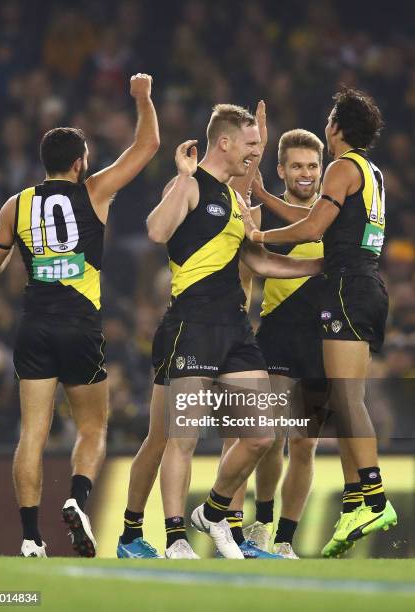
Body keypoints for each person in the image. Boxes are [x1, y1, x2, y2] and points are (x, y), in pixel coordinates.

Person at [116, 103, 322, 559]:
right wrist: (184, 176)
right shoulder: (188, 185)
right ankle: (172, 538)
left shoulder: (233, 201)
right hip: (191, 325)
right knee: (179, 437)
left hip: (235, 330)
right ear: (224, 142)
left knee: (261, 435)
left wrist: (326, 264)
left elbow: (260, 261)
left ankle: (211, 511)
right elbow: (155, 231)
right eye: (250, 146)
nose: (255, 155)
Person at [0, 73, 159, 558]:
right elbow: (147, 145)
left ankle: (30, 537)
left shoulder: (16, 205)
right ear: (80, 162)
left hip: (34, 327)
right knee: (93, 427)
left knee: (31, 434)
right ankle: (78, 499)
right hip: (81, 327)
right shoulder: (95, 191)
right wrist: (142, 98)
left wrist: (18, 248)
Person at [240, 87, 398, 557]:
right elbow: (316, 216)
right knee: (342, 396)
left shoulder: (342, 166)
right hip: (363, 286)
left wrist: (260, 233)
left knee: (347, 398)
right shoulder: (370, 171)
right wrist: (266, 196)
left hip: (347, 287)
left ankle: (371, 495)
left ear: (336, 127)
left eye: (330, 118)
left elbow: (312, 229)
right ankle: (357, 499)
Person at [226, 129, 328, 560]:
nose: (306, 174)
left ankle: (285, 538)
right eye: (297, 166)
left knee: (304, 443)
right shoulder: (262, 215)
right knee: (267, 437)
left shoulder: (335, 212)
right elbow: (248, 273)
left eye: (313, 166)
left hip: (323, 337)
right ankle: (261, 525)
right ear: (281, 170)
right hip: (277, 331)